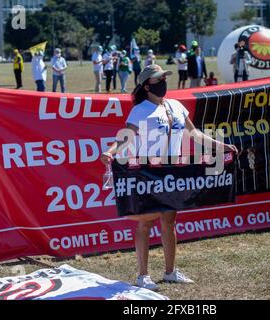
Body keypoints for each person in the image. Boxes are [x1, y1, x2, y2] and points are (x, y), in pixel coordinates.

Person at [100, 64, 238, 290]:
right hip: (147, 171)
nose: (164, 82)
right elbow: (125, 136)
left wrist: (221, 146)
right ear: (147, 86)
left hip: (172, 170)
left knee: (169, 220)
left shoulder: (176, 106)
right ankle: (143, 275)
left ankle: (170, 271)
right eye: (159, 79)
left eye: (164, 77)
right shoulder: (140, 110)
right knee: (145, 222)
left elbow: (194, 133)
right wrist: (111, 152)